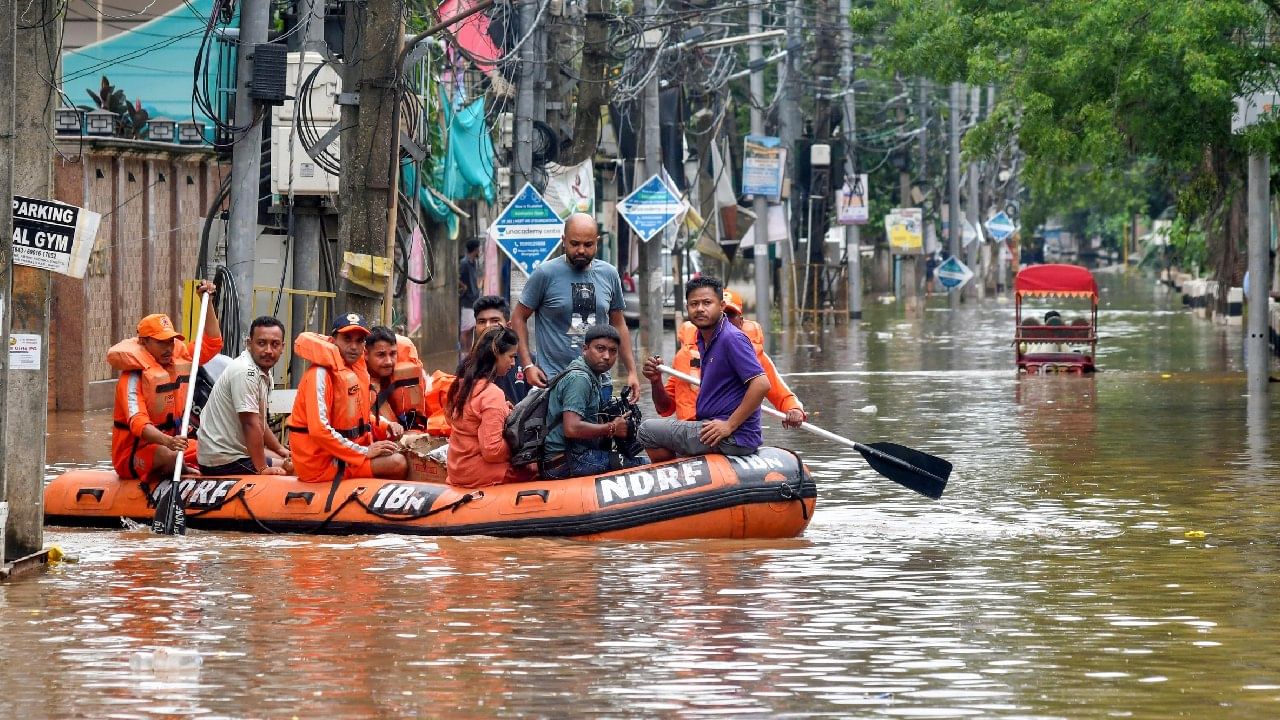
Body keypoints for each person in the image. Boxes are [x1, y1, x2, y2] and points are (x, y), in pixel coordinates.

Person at [637, 276, 770, 463]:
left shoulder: (731, 338)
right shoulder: (702, 340)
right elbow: (664, 408)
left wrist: (729, 426)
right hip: (709, 429)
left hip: (731, 437)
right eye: (694, 304)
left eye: (707, 303)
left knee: (646, 430)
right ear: (687, 308)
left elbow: (762, 384)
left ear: (721, 305)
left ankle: (673, 482)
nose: (700, 308)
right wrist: (656, 380)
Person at [512, 212, 640, 399]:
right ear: (564, 240)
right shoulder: (545, 274)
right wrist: (528, 365)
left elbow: (618, 324)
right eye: (574, 244)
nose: (581, 250)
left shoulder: (609, 274)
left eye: (588, 245)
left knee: (601, 427)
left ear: (597, 242)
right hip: (555, 382)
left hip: (599, 383)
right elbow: (518, 317)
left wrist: (632, 371)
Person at [108, 281, 223, 481]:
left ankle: (274, 463)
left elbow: (212, 343)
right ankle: (185, 471)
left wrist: (208, 301)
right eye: (161, 342)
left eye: (170, 341)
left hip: (174, 442)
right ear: (144, 342)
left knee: (219, 450)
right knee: (169, 456)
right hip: (133, 455)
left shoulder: (180, 358)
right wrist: (168, 441)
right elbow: (139, 425)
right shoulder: (132, 378)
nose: (168, 347)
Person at [652, 288, 805, 428]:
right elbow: (665, 408)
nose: (723, 320)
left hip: (730, 430)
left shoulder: (751, 354)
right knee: (650, 431)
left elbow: (780, 393)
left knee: (650, 430)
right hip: (690, 431)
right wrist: (656, 380)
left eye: (729, 315)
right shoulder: (685, 356)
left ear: (741, 321)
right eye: (720, 314)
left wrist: (794, 409)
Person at [286, 313, 408, 483]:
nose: (353, 346)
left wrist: (387, 426)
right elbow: (319, 431)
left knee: (401, 452)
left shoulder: (355, 370)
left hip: (344, 455)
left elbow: (359, 417)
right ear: (333, 340)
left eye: (359, 341)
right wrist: (364, 452)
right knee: (398, 463)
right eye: (347, 339)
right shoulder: (320, 374)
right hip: (320, 464)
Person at [542, 325, 644, 479]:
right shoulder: (580, 379)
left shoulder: (592, 375)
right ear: (585, 349)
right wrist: (612, 428)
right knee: (642, 464)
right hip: (566, 461)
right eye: (600, 349)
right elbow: (572, 428)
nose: (607, 356)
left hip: (573, 454)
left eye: (613, 351)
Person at [196, 316, 290, 476]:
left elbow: (260, 422)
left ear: (282, 347)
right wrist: (263, 469)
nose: (268, 350)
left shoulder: (262, 372)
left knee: (290, 461)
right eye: (261, 343)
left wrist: (281, 449)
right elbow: (250, 424)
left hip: (237, 453)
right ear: (248, 344)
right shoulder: (246, 372)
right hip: (223, 460)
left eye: (274, 344)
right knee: (291, 469)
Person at [444, 326, 530, 488]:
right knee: (536, 471)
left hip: (457, 469)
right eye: (511, 357)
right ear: (496, 353)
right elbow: (493, 450)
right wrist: (519, 446)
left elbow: (459, 419)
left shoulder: (461, 385)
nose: (513, 363)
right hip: (479, 473)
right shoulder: (492, 394)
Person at [366, 326, 430, 432]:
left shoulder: (409, 370)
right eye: (381, 355)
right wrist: (387, 426)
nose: (388, 361)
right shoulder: (357, 380)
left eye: (392, 354)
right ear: (366, 355)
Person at [473, 294, 531, 404]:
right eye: (482, 321)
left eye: (495, 320)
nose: (488, 326)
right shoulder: (468, 366)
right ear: (475, 327)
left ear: (508, 326)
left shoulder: (527, 362)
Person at [458, 239, 482, 350]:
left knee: (472, 329)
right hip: (467, 301)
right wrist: (464, 286)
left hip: (474, 300)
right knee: (465, 330)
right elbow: (456, 278)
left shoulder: (473, 263)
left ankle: (469, 353)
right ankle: (464, 354)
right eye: (478, 249)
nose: (479, 251)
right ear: (476, 249)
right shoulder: (464, 263)